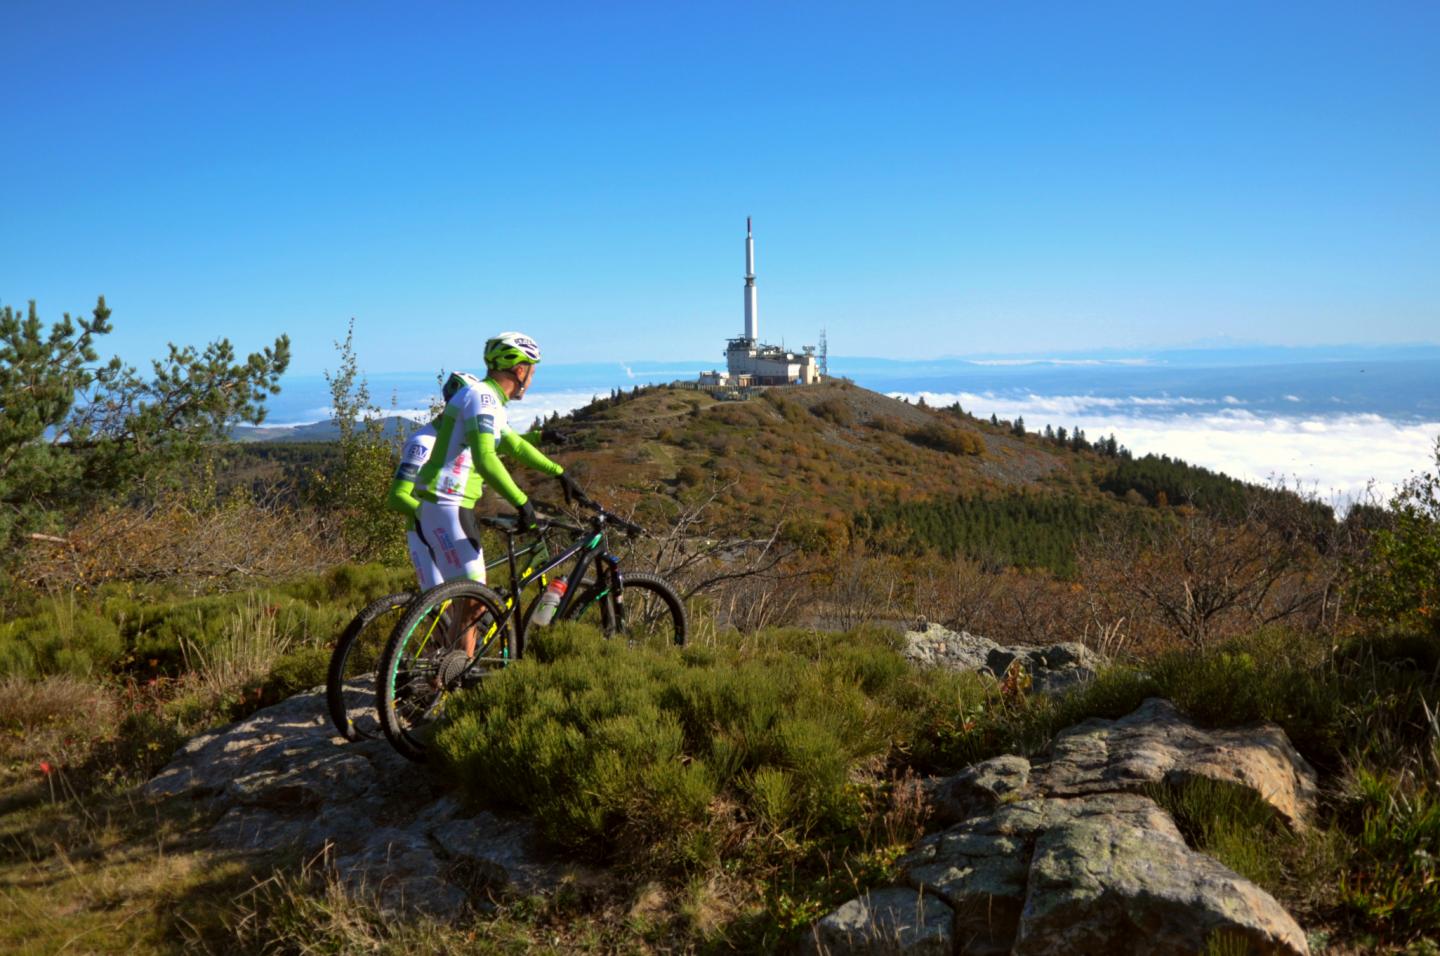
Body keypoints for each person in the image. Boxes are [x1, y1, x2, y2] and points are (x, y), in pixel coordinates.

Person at [413, 332, 581, 585]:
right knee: (474, 599)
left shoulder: (488, 399)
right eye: (532, 373)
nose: (531, 381)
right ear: (520, 371)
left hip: (445, 502)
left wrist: (559, 473)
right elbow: (485, 458)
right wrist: (523, 504)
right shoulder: (481, 398)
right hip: (448, 501)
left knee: (468, 597)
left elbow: (515, 445)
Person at [383, 370, 483, 591]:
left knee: (466, 597)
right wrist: (435, 517)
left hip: (453, 524)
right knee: (438, 604)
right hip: (424, 531)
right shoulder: (423, 442)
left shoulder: (460, 438)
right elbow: (397, 496)